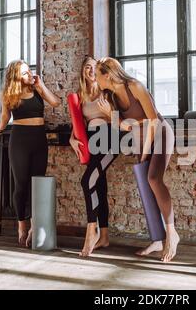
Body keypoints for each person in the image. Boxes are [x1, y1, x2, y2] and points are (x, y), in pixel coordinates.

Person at [95, 57, 179, 263]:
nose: (96, 79)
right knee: (145, 185)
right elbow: (122, 127)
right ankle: (157, 239)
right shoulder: (110, 96)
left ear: (108, 74)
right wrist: (110, 114)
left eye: (98, 75)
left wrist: (145, 151)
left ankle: (172, 233)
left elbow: (152, 120)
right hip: (141, 139)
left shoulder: (135, 86)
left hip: (159, 133)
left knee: (153, 179)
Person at [0, 60, 61, 247]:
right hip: (19, 140)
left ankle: (35, 224)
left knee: (37, 184)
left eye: (29, 71)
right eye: (24, 73)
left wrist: (41, 85)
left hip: (39, 140)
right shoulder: (7, 94)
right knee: (21, 184)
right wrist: (0, 128)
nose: (29, 74)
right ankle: (22, 224)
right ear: (15, 76)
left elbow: (56, 102)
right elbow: (5, 116)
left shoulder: (37, 89)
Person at [69, 56, 120, 257]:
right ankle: (105, 237)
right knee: (99, 185)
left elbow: (120, 122)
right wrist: (72, 140)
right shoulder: (81, 96)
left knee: (86, 181)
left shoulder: (107, 92)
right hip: (91, 141)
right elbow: (77, 125)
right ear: (83, 72)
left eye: (94, 68)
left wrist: (108, 112)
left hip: (111, 139)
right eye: (87, 68)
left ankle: (92, 230)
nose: (91, 71)